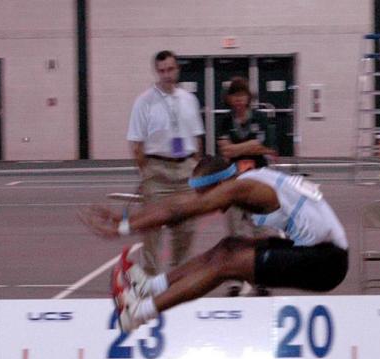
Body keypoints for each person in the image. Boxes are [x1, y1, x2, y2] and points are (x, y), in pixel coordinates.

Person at [80, 155, 349, 331]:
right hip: (316, 250)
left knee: (226, 264)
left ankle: (139, 313)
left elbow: (181, 209)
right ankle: (149, 286)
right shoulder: (251, 178)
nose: (214, 207)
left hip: (327, 262)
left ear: (219, 185)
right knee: (227, 248)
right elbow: (181, 204)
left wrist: (125, 224)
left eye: (205, 195)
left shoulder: (242, 187)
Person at [127, 50, 205, 274]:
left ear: (177, 70)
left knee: (187, 228)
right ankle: (150, 278)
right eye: (162, 71)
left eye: (170, 69)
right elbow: (137, 145)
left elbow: (197, 139)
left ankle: (178, 275)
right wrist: (146, 174)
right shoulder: (144, 102)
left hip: (187, 170)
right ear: (156, 72)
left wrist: (197, 171)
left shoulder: (190, 100)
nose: (166, 75)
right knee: (151, 229)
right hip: (157, 171)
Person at [217, 76, 278, 296]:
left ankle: (262, 279)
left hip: (258, 184)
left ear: (248, 98)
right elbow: (226, 151)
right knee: (234, 233)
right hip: (233, 185)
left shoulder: (260, 119)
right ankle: (234, 281)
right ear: (230, 99)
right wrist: (250, 146)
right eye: (235, 96)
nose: (239, 100)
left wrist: (239, 148)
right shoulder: (225, 121)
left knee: (261, 231)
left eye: (242, 96)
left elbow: (264, 148)